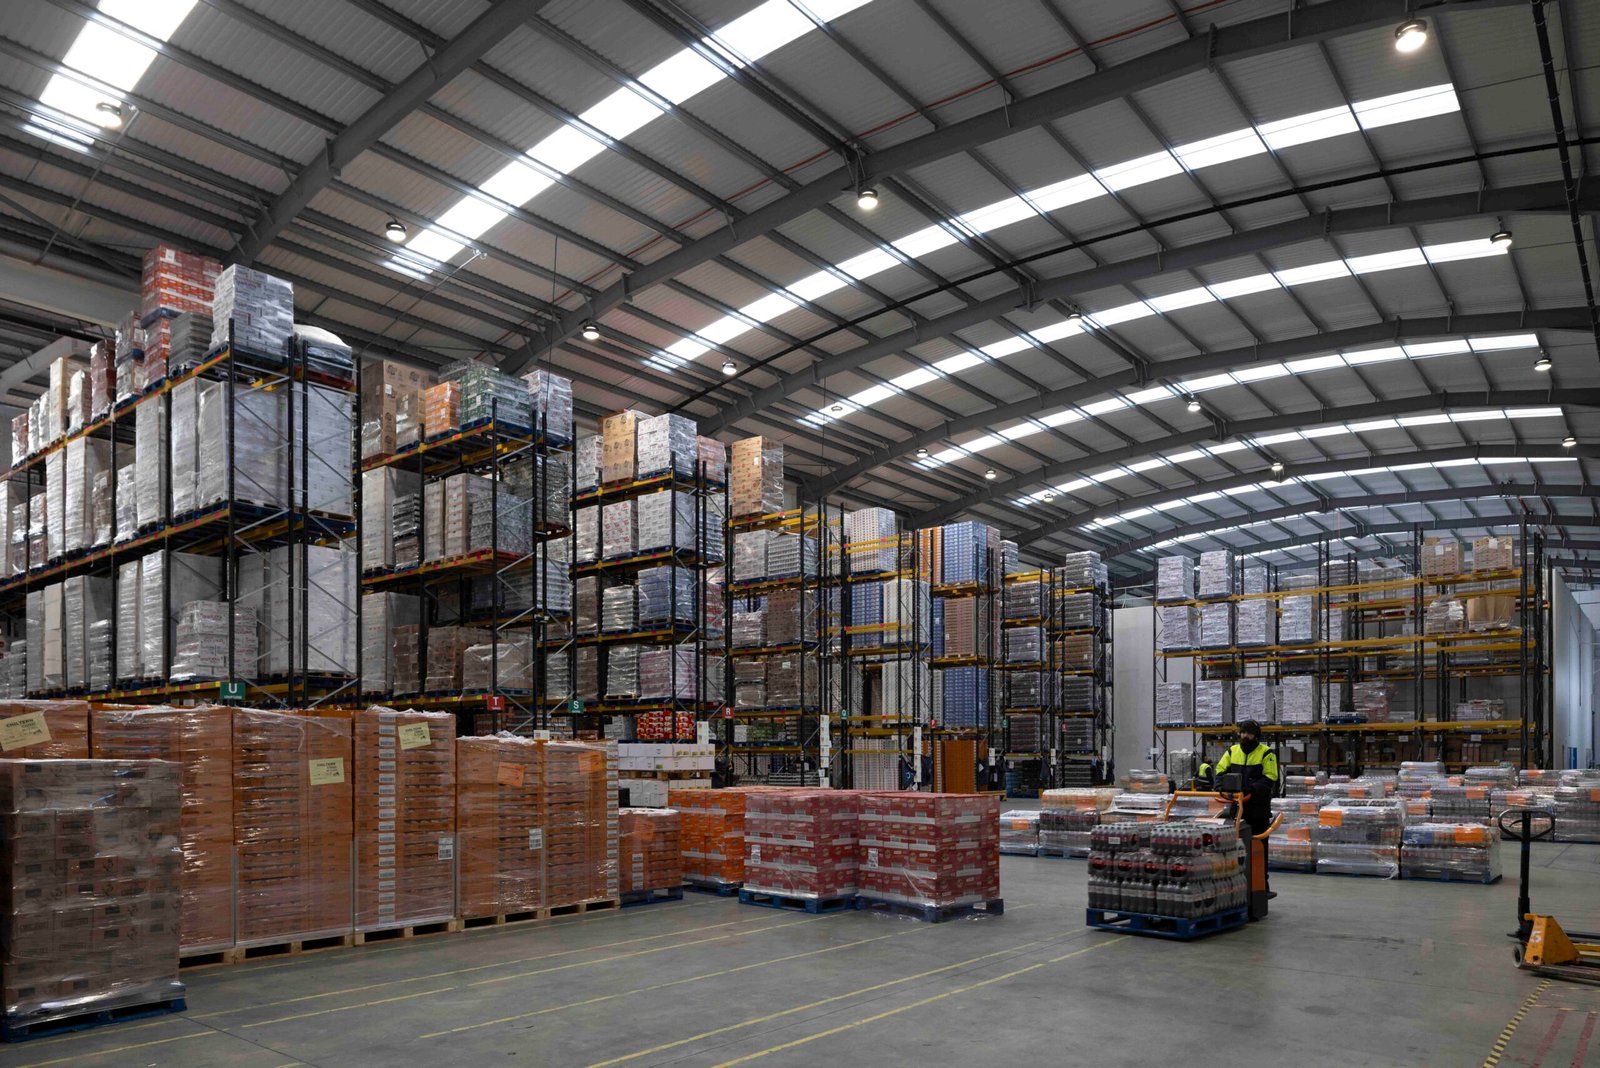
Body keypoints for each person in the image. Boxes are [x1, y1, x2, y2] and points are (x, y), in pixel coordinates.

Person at [1213, 718, 1278, 895]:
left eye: (1248, 733)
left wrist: (1250, 788)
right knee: (1235, 847)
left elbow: (1270, 779)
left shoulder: (1267, 753)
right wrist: (1219, 787)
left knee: (1258, 848)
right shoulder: (1232, 751)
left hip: (1257, 809)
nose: (1245, 736)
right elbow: (1220, 770)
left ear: (1256, 735)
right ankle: (1236, 886)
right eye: (1242, 732)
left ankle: (1261, 887)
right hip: (1236, 808)